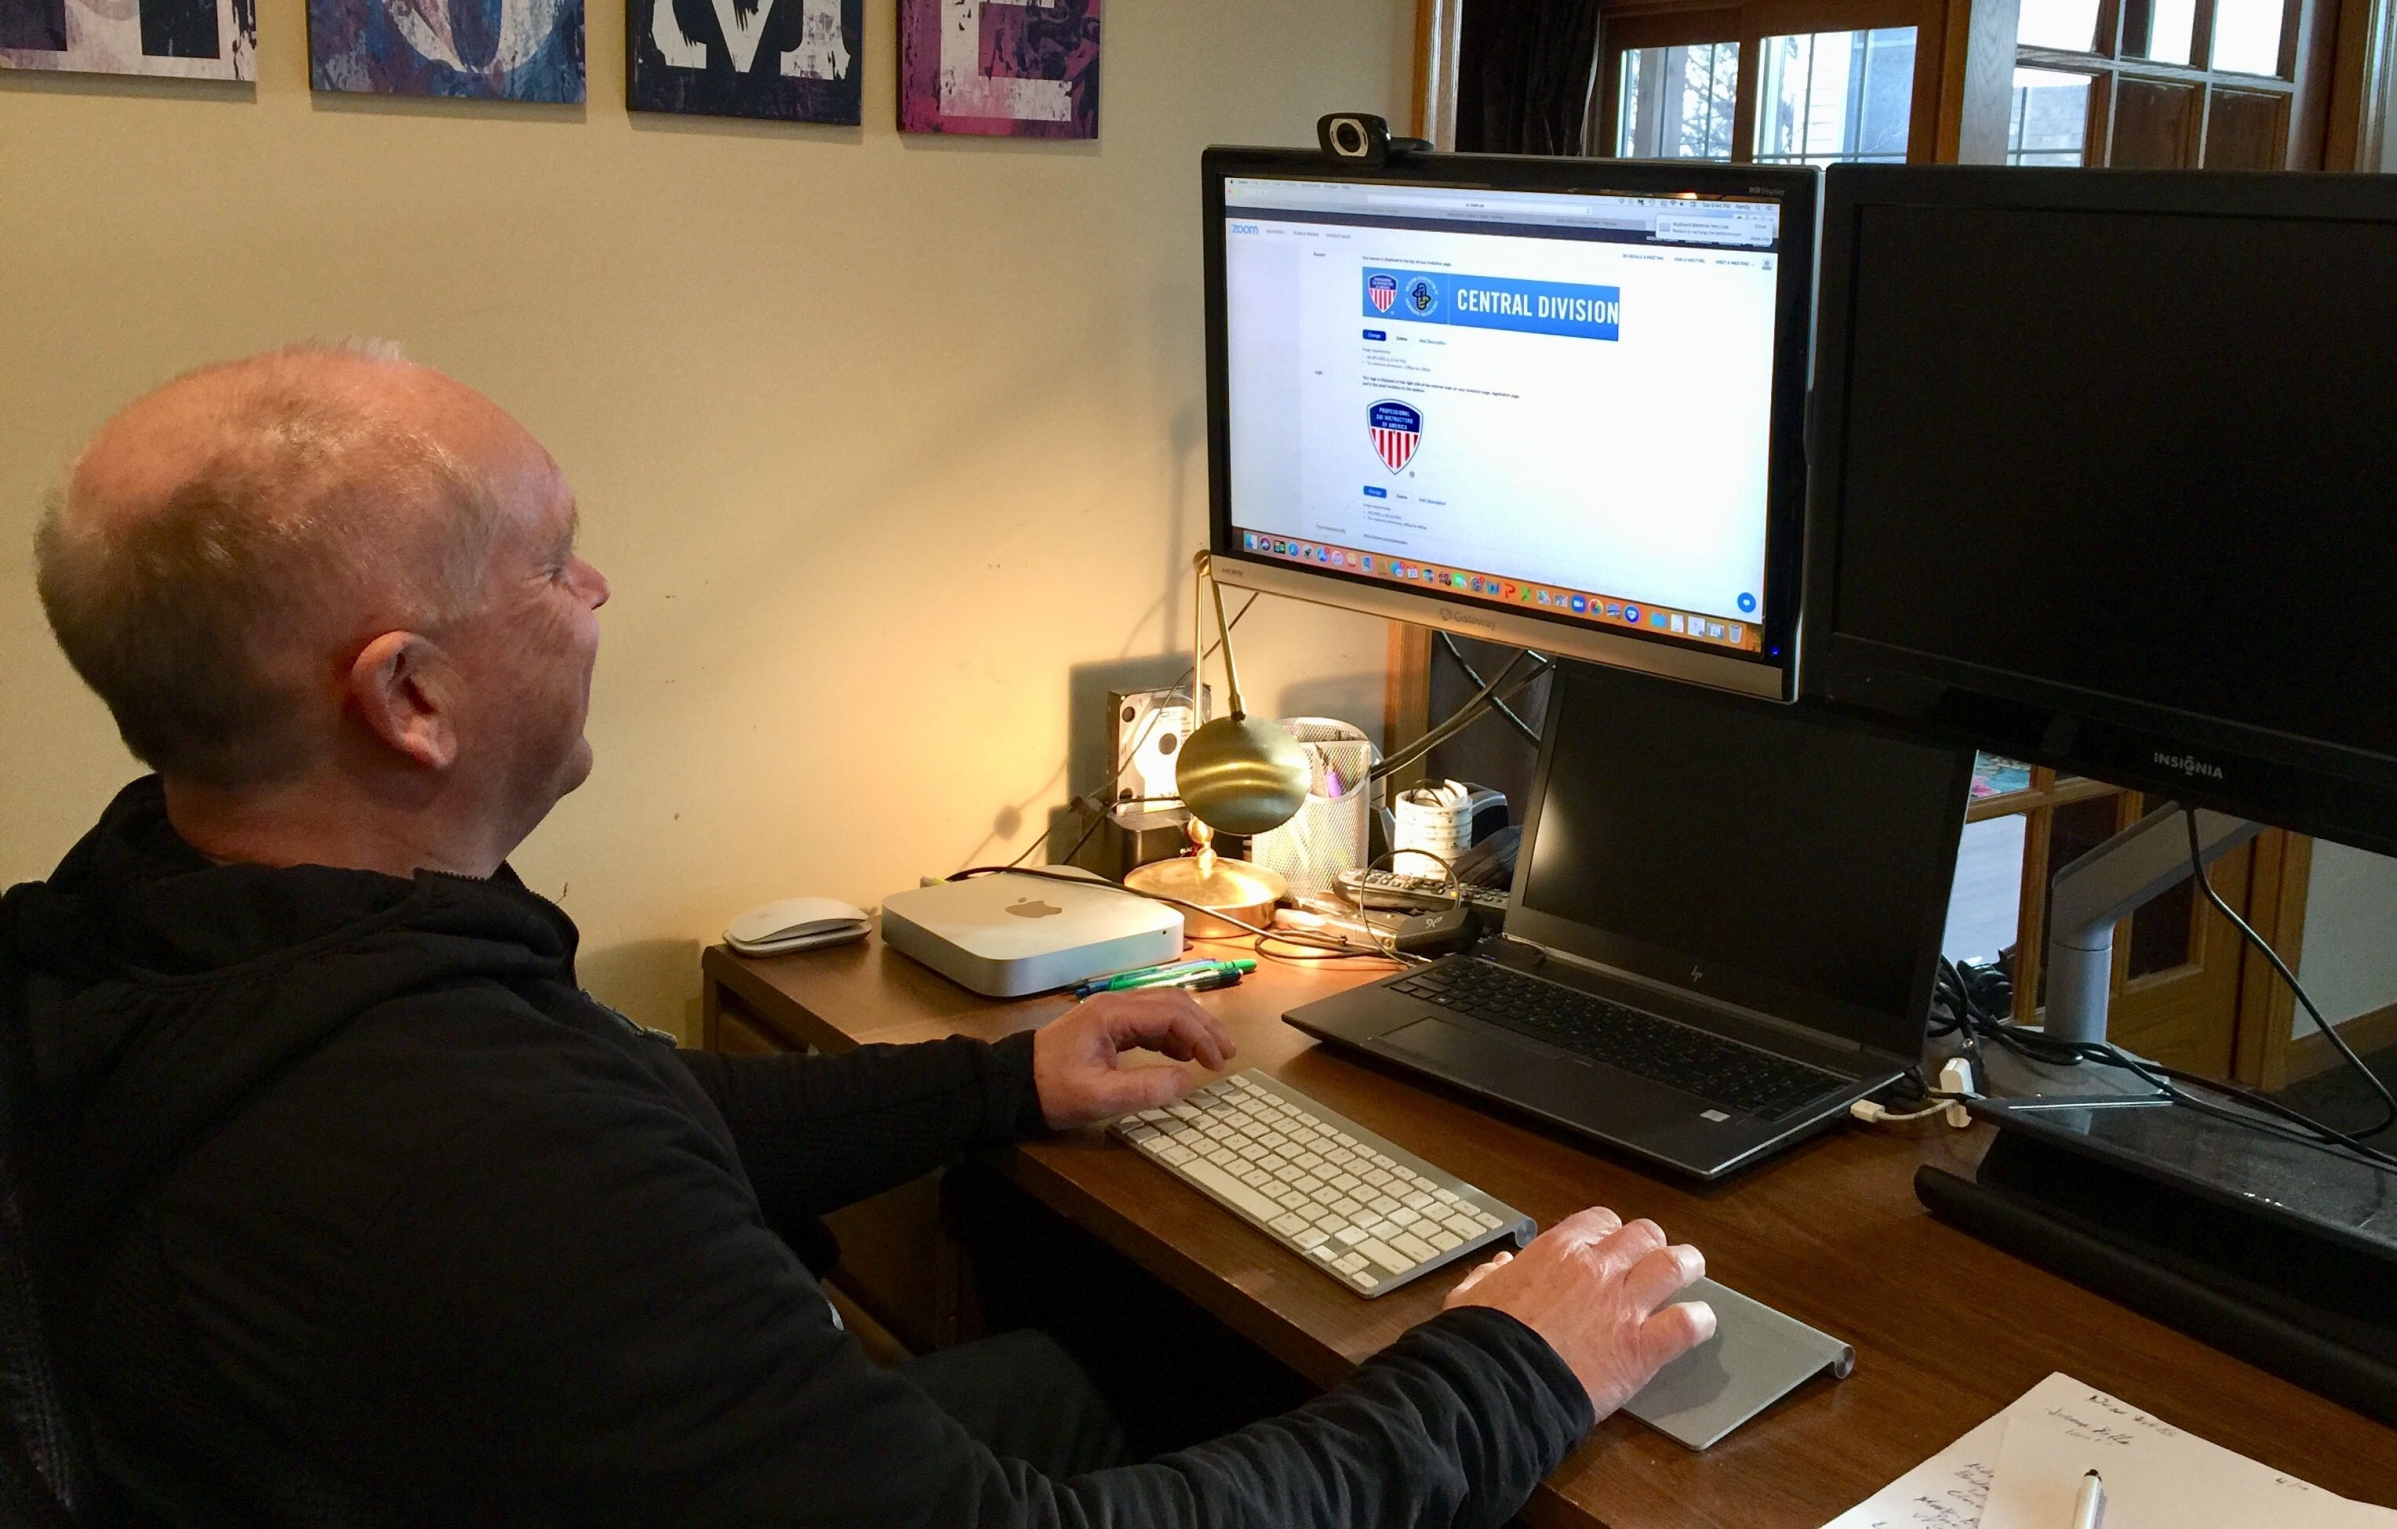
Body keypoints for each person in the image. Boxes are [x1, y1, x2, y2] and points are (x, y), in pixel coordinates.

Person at [1, 343, 1716, 1527]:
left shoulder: (159, 914)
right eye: (555, 564)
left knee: (1102, 1359)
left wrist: (1000, 1082)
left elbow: (632, 1105)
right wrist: (1515, 1366)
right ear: (413, 697)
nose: (599, 595)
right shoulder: (460, 1154)